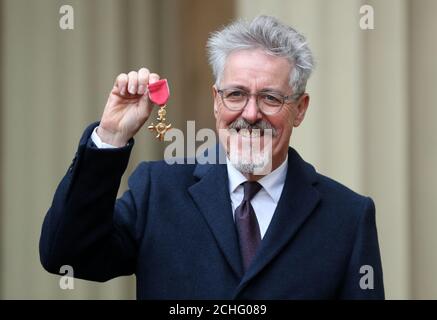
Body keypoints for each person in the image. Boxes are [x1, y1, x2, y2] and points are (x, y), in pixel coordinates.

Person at [40, 15, 384, 299]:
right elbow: (67, 255)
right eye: (235, 94)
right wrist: (111, 137)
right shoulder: (158, 191)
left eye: (270, 98)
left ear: (299, 109)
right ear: (216, 100)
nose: (250, 114)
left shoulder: (347, 217)